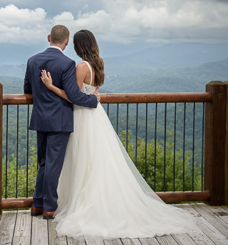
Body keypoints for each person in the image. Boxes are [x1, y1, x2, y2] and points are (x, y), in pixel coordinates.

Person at [40, 29, 198, 238]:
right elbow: (92, 93)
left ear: (77, 46)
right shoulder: (98, 63)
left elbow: (73, 97)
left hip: (81, 116)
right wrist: (94, 96)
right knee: (95, 161)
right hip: (95, 116)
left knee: (82, 160)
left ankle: (79, 202)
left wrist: (51, 87)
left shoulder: (80, 66)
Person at [24, 25, 100, 220]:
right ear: (66, 41)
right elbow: (74, 95)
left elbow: (27, 91)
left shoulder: (32, 61)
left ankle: (37, 205)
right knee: (53, 165)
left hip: (40, 119)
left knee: (43, 163)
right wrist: (94, 100)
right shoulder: (67, 63)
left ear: (49, 37)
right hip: (59, 121)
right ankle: (49, 208)